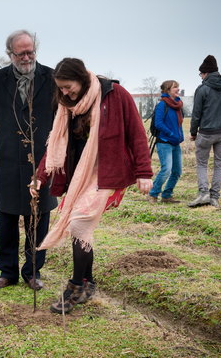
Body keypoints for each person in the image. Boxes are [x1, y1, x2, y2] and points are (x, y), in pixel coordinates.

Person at [30, 58, 152, 314]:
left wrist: (144, 172)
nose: (64, 92)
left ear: (83, 79)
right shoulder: (66, 105)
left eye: (68, 86)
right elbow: (56, 142)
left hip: (108, 172)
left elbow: (136, 133)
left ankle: (75, 287)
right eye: (60, 88)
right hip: (80, 175)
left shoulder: (115, 95)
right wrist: (40, 175)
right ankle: (88, 283)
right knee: (80, 229)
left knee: (79, 223)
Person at [0, 30, 58, 291]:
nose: (27, 57)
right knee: (6, 219)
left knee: (39, 218)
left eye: (31, 51)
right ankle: (7, 272)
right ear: (10, 54)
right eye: (21, 53)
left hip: (43, 161)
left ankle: (32, 272)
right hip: (8, 160)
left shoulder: (52, 77)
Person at [188, 55, 221, 209]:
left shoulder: (202, 89)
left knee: (202, 164)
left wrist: (193, 132)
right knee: (219, 164)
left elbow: (196, 114)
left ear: (205, 73)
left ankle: (203, 193)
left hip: (206, 132)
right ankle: (215, 197)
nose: (200, 77)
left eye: (200, 74)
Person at [146, 80, 184, 204]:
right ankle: (153, 194)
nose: (178, 89)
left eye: (178, 87)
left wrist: (180, 135)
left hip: (175, 143)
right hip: (164, 142)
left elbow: (178, 123)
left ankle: (167, 195)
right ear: (167, 90)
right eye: (175, 87)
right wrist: (171, 134)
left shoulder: (177, 105)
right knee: (166, 170)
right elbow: (158, 123)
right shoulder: (162, 104)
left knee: (177, 171)